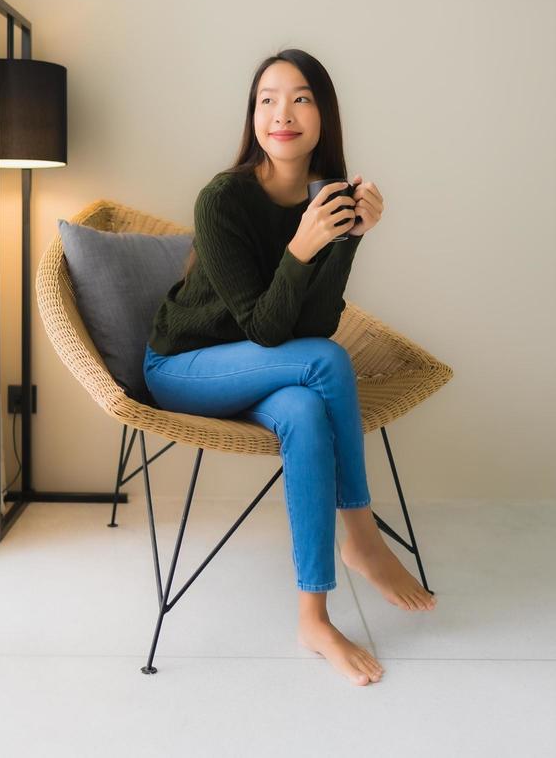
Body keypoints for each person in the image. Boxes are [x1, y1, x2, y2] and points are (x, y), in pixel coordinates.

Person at [143, 48, 436, 687]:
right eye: (268, 99)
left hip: (263, 369)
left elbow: (313, 324)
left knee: (306, 406)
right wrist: (302, 246)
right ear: (252, 116)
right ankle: (358, 534)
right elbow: (268, 329)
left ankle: (314, 616)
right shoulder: (222, 199)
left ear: (323, 115)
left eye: (301, 98)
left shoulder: (326, 196)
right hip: (183, 366)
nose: (283, 113)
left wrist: (349, 236)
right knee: (326, 363)